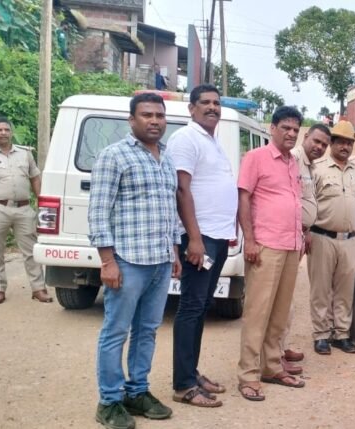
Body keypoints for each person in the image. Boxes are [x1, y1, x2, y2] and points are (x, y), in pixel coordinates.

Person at [88, 92, 180, 429]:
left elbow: (170, 209)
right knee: (116, 331)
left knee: (147, 331)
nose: (154, 121)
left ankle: (137, 391)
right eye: (147, 115)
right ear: (131, 120)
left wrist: (174, 252)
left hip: (159, 262)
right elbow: (98, 212)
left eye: (159, 115)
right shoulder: (114, 156)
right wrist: (107, 261)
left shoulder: (166, 158)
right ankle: (109, 401)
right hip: (127, 261)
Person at [165, 84, 233, 408]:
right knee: (191, 308)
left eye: (216, 103)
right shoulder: (186, 139)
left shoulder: (212, 141)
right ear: (191, 108)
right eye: (205, 102)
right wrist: (193, 238)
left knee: (202, 305)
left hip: (216, 237)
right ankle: (183, 385)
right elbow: (182, 189)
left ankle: (191, 373)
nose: (212, 107)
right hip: (199, 237)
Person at [236, 105, 306, 401]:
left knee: (279, 313)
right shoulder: (256, 157)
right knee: (258, 312)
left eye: (295, 129)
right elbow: (243, 198)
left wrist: (300, 238)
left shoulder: (293, 162)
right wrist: (250, 241)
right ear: (272, 128)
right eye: (285, 128)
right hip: (266, 245)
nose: (291, 133)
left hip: (291, 245)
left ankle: (271, 366)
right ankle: (248, 375)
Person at [0, 117, 50, 305]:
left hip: (23, 209)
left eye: (6, 129)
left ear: (11, 132)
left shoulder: (25, 154)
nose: (3, 133)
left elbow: (35, 179)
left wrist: (42, 203)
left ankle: (38, 288)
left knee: (31, 250)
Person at [308, 120, 355, 355]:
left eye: (349, 143)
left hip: (351, 240)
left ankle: (341, 334)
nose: (345, 146)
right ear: (331, 143)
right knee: (321, 290)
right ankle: (321, 335)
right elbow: (307, 203)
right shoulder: (317, 169)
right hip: (322, 237)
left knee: (345, 290)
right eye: (341, 142)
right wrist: (305, 233)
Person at [279, 123, 331, 375]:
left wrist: (307, 230)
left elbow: (306, 200)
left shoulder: (310, 165)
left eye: (324, 145)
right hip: (285, 236)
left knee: (287, 296)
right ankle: (274, 353)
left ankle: (280, 346)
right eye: (316, 141)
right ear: (306, 136)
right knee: (281, 299)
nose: (319, 147)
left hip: (299, 235)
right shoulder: (294, 159)